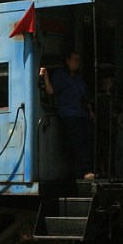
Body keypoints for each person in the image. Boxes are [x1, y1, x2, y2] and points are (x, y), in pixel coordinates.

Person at [39, 51, 95, 180]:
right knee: (76, 143)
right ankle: (82, 171)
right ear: (67, 61)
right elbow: (50, 90)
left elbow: (84, 95)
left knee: (86, 141)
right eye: (75, 60)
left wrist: (90, 110)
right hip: (69, 114)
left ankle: (87, 169)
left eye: (78, 60)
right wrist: (46, 76)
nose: (77, 63)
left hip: (82, 113)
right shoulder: (60, 75)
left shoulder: (78, 77)